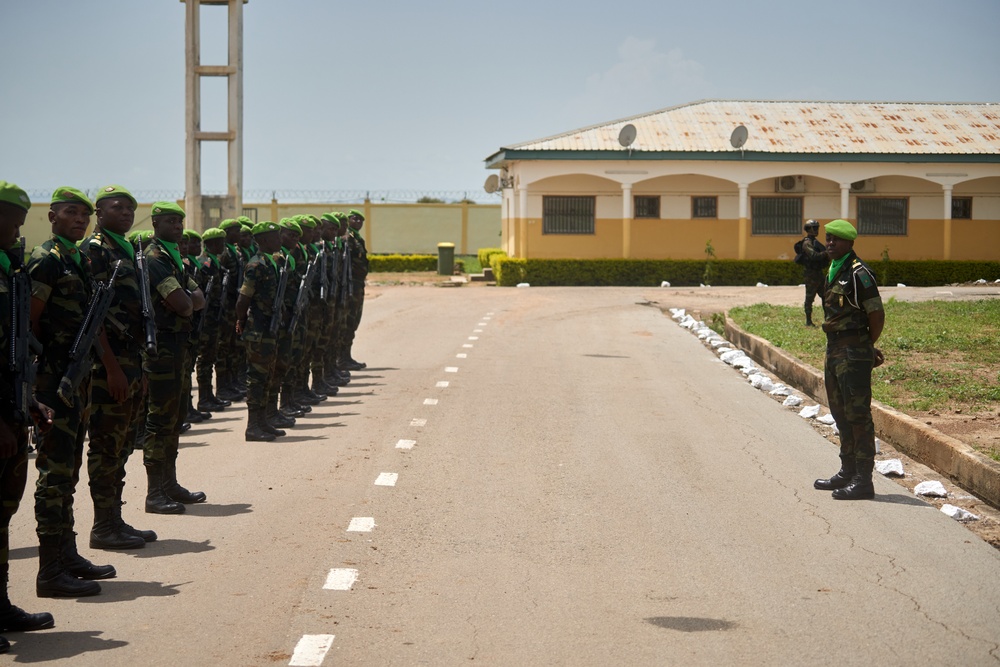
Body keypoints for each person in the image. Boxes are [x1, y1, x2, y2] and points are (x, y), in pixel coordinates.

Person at [28, 187, 116, 597]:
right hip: (51, 383)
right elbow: (28, 326)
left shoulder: (77, 259)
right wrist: (36, 386)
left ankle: (67, 555)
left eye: (84, 214)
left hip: (75, 379)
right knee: (54, 475)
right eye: (70, 213)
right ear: (53, 217)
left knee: (69, 473)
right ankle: (49, 571)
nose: (79, 220)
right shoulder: (47, 260)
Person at [81, 185, 156, 550]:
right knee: (106, 445)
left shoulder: (129, 251)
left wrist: (137, 368)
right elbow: (92, 317)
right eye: (117, 207)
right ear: (100, 211)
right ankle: (102, 526)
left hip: (131, 359)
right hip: (105, 364)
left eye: (130, 208)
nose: (126, 213)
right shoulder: (95, 251)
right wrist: (111, 367)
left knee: (123, 443)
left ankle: (114, 519)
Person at [0, 182, 55, 650]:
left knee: (3, 513)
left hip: (12, 405)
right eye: (9, 218)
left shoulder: (9, 270)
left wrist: (29, 401)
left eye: (20, 219)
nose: (18, 228)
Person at [813, 219, 885, 501]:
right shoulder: (833, 270)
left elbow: (876, 314)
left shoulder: (858, 273)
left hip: (852, 350)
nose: (829, 243)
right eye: (828, 238)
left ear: (849, 243)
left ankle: (863, 481)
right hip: (834, 349)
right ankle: (847, 471)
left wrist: (866, 345)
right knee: (840, 412)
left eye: (836, 240)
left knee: (858, 416)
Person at [142, 202, 206, 514]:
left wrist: (187, 299)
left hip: (179, 346)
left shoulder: (173, 256)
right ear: (156, 223)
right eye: (170, 221)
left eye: (180, 221)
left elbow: (199, 299)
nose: (178, 226)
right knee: (160, 420)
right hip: (163, 347)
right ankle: (155, 492)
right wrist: (186, 299)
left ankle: (169, 484)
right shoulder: (155, 258)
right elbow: (183, 304)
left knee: (175, 417)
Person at [235, 222, 286, 442]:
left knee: (267, 375)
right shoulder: (255, 265)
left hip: (269, 328)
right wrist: (241, 320)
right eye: (275, 236)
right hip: (257, 330)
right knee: (256, 378)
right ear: (263, 240)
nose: (280, 239)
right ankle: (252, 426)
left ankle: (263, 420)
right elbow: (243, 299)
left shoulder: (272, 262)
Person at [793, 219, 829, 326]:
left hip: (818, 273)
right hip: (811, 274)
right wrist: (826, 253)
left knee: (825, 296)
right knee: (809, 297)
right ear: (808, 229)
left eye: (817, 228)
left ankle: (827, 319)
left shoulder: (815, 242)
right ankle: (808, 321)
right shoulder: (807, 243)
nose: (816, 230)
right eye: (814, 228)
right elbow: (814, 256)